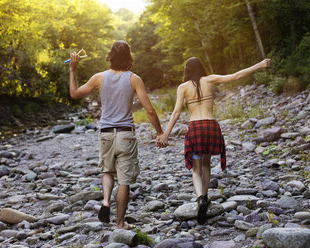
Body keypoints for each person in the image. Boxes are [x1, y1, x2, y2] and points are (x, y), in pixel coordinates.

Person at [157, 57, 271, 224]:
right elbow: (236, 76)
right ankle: (205, 196)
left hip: (195, 128)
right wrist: (259, 65)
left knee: (196, 169)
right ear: (201, 67)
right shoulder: (210, 80)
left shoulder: (183, 87)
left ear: (186, 71)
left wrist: (165, 134)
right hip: (210, 126)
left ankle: (200, 199)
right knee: (206, 164)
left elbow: (176, 113)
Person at [69, 40, 164, 229]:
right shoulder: (134, 79)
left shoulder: (99, 77)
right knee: (125, 180)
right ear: (129, 57)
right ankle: (120, 224)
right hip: (125, 134)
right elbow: (150, 110)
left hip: (106, 133)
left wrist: (73, 69)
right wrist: (160, 132)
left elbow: (74, 93)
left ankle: (105, 202)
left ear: (110, 56)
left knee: (107, 171)